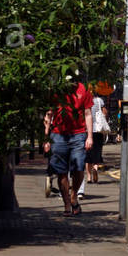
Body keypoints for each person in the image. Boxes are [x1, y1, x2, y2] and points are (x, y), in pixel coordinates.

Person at [43, 80, 94, 217]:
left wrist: (90, 137)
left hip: (79, 135)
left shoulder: (83, 89)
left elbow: (88, 113)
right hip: (58, 136)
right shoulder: (56, 90)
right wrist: (46, 138)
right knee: (61, 172)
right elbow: (49, 114)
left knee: (78, 168)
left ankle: (73, 196)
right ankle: (67, 204)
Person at [80, 93, 110, 197]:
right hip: (98, 129)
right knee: (97, 150)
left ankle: (88, 177)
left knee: (88, 152)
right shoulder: (99, 100)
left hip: (87, 129)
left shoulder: (83, 98)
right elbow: (104, 113)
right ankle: (95, 168)